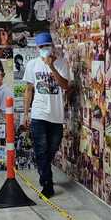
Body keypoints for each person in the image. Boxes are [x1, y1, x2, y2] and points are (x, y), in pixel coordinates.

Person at [23, 32, 70, 198]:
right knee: (42, 149)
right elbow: (28, 90)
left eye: (47, 46)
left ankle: (43, 170)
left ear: (52, 46)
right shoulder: (32, 65)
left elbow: (65, 86)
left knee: (51, 149)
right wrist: (26, 113)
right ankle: (47, 184)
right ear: (37, 48)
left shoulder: (62, 63)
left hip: (56, 115)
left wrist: (52, 67)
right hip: (39, 113)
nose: (45, 49)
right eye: (42, 47)